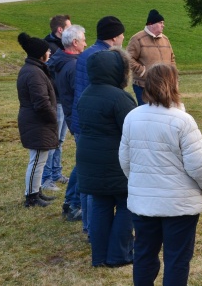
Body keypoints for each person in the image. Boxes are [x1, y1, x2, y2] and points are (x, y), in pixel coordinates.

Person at [120, 63, 202, 286]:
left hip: (146, 202)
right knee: (176, 259)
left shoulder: (133, 117)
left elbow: (125, 160)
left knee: (144, 255)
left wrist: (140, 184)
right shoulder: (183, 121)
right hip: (178, 204)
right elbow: (198, 164)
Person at [76, 47, 137, 267]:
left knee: (101, 205)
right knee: (126, 204)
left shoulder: (86, 94)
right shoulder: (120, 98)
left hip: (89, 160)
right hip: (115, 161)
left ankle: (99, 256)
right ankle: (119, 255)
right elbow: (132, 131)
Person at [72, 15, 126, 237]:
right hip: (100, 123)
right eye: (121, 33)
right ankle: (94, 227)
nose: (124, 37)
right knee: (97, 184)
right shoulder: (104, 57)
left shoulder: (85, 54)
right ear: (114, 36)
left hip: (82, 119)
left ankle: (88, 225)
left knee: (88, 178)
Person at [16, 33, 58, 208]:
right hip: (37, 122)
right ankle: (31, 197)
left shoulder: (33, 69)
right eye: (47, 50)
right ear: (40, 54)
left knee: (39, 160)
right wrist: (52, 118)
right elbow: (41, 103)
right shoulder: (34, 73)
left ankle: (36, 191)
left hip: (36, 121)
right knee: (37, 160)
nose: (49, 52)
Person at [50, 24, 87, 221]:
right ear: (75, 42)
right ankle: (73, 204)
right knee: (84, 163)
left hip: (73, 117)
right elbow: (80, 95)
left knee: (82, 162)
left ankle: (70, 202)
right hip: (79, 120)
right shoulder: (73, 66)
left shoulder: (64, 61)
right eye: (83, 40)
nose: (85, 43)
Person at [42, 14, 71, 191]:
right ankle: (46, 178)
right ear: (60, 30)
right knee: (52, 141)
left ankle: (56, 173)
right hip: (56, 100)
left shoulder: (63, 46)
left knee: (59, 140)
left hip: (64, 99)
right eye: (69, 26)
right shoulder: (49, 48)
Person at [127, 9, 176, 106]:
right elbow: (128, 58)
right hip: (144, 86)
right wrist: (142, 71)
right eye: (160, 22)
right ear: (151, 24)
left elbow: (172, 58)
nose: (163, 25)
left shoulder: (165, 40)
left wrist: (172, 74)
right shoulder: (137, 38)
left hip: (164, 86)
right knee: (146, 113)